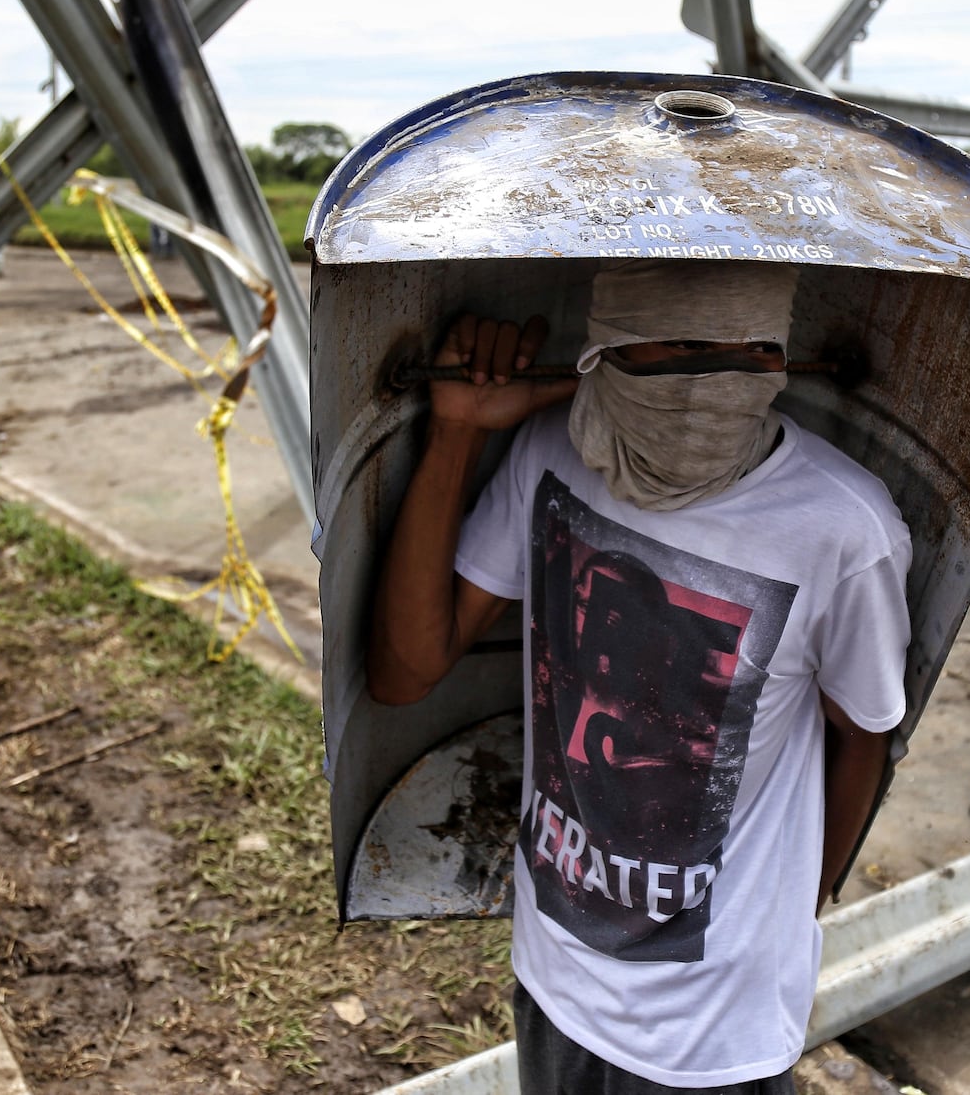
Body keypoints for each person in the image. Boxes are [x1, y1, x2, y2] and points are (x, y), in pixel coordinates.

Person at [368, 260, 913, 1093]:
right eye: (687, 345)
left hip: (711, 1030)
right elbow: (405, 673)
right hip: (555, 976)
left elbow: (864, 740)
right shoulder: (552, 454)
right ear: (611, 342)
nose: (713, 382)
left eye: (750, 348)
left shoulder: (842, 527)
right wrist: (458, 430)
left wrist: (786, 921)